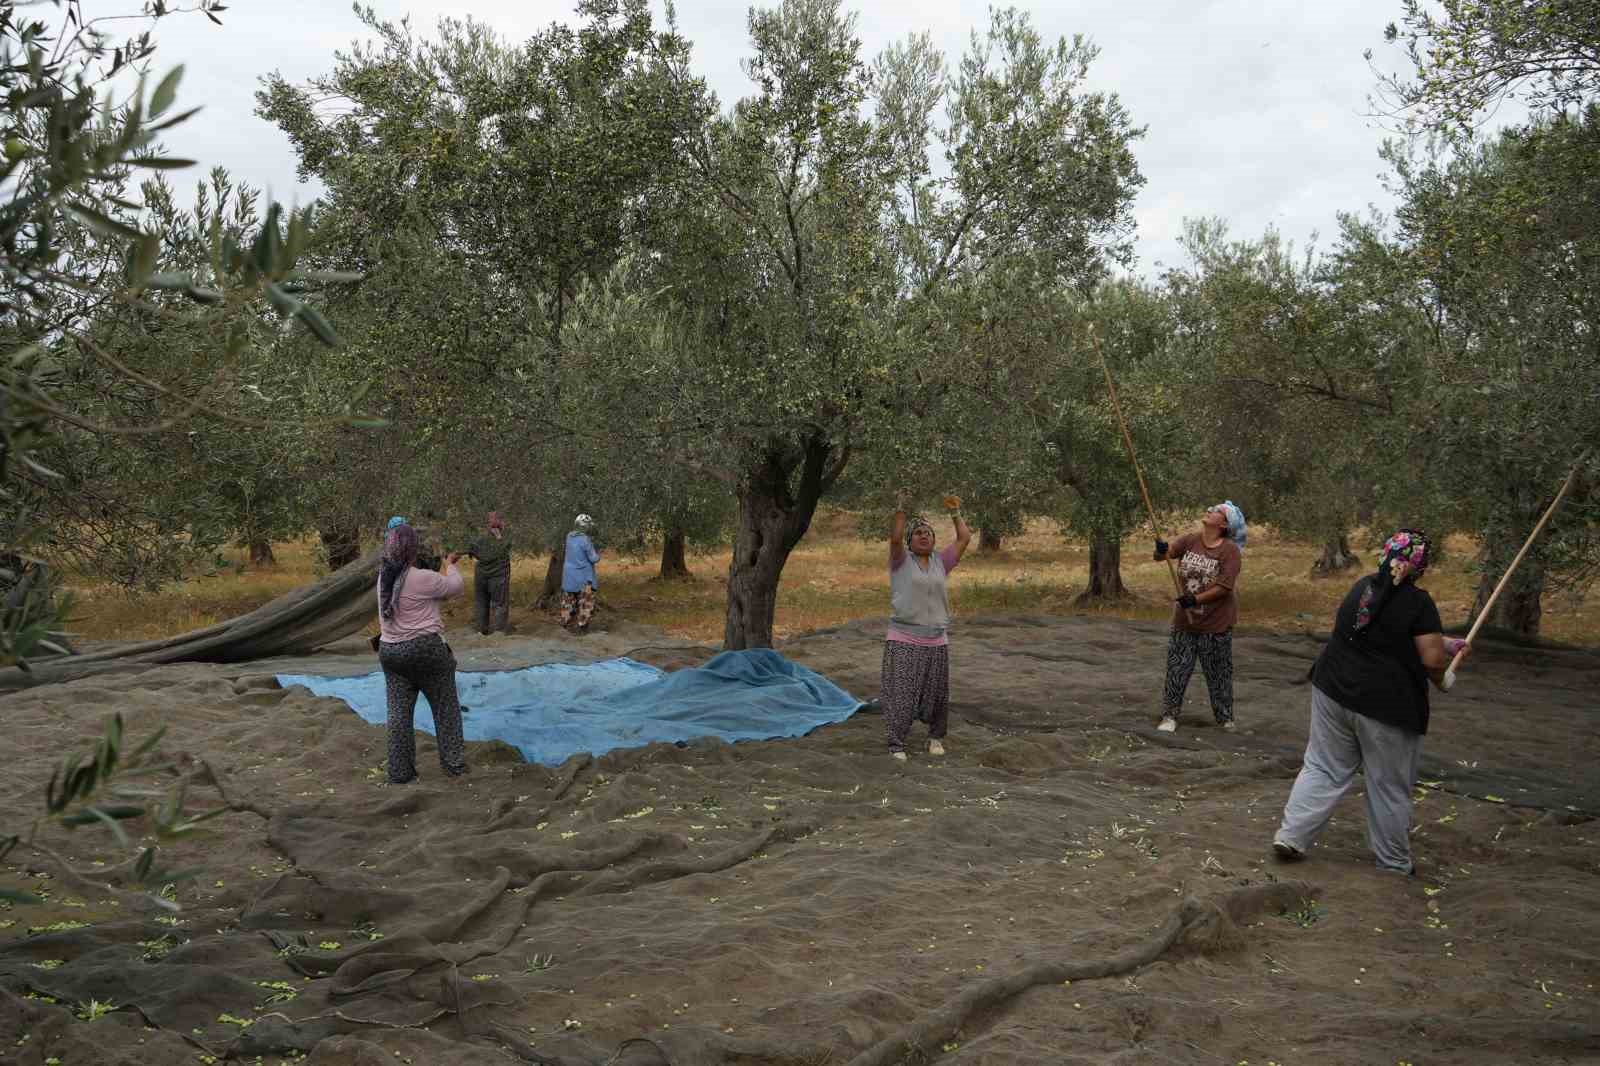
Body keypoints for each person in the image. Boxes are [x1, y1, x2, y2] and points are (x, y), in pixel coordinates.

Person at [1272, 529, 1467, 874]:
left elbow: (1383, 631)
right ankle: (1393, 863)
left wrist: (1444, 641)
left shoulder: (1363, 587)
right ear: (1420, 568)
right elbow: (1432, 662)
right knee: (1388, 784)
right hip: (1384, 707)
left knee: (1322, 767)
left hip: (1332, 689)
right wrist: (1444, 678)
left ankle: (1291, 836)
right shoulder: (1418, 603)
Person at [375, 522, 469, 784]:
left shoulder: (384, 577)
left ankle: (400, 772)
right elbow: (456, 586)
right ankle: (453, 765)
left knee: (398, 715)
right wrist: (451, 564)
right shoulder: (423, 578)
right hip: (426, 650)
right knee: (445, 706)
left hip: (390, 652)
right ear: (413, 549)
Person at [882, 494, 972, 762]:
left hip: (936, 640)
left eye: (928, 533)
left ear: (934, 541)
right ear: (910, 541)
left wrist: (955, 512)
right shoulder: (900, 561)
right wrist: (901, 509)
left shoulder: (940, 562)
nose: (924, 536)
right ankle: (896, 744)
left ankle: (935, 738)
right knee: (903, 693)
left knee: (937, 694)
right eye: (918, 533)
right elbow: (895, 538)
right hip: (904, 638)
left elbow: (964, 539)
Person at [1152, 500, 1247, 734]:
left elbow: (1224, 586)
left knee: (1218, 673)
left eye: (1217, 511)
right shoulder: (1191, 540)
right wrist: (1161, 550)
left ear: (1224, 524)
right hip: (1184, 622)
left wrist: (1195, 600)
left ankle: (1225, 719)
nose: (1210, 511)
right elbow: (1164, 556)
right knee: (1177, 669)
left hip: (1216, 624)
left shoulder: (1230, 551)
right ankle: (1169, 716)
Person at [467, 511, 513, 635]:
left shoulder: (477, 535)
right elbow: (505, 548)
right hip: (498, 574)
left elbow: (471, 551)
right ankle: (498, 631)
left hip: (481, 573)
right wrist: (499, 538)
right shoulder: (502, 536)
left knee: (481, 602)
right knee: (499, 603)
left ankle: (481, 629)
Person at [560, 513, 601, 634]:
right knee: (586, 602)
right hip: (583, 577)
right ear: (585, 526)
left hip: (568, 576)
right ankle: (582, 626)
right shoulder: (585, 539)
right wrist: (599, 554)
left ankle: (565, 624)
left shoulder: (568, 536)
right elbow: (593, 558)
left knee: (567, 601)